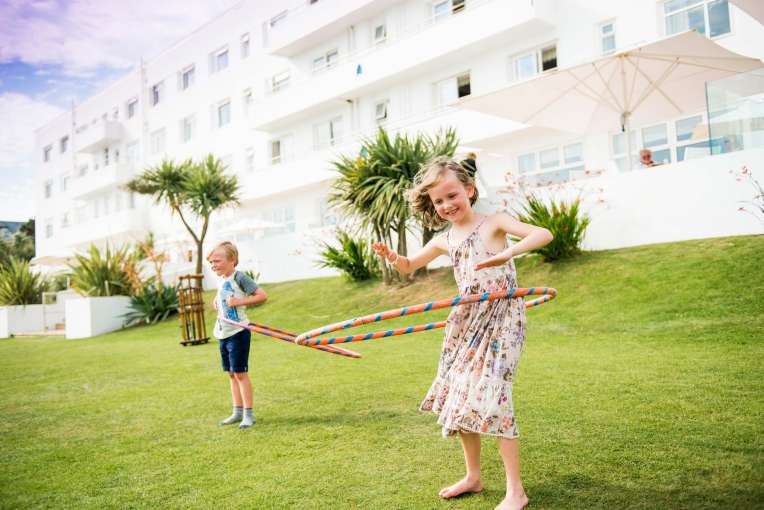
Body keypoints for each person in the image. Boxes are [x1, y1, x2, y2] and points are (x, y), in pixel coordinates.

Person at [372, 157, 553, 510]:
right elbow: (409, 267)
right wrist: (393, 257)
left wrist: (508, 255)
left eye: (452, 195)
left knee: (494, 394)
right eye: (438, 201)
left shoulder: (494, 223)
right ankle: (473, 476)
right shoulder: (445, 240)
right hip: (466, 321)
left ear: (469, 190)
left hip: (503, 318)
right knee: (460, 396)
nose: (446, 205)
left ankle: (516, 490)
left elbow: (542, 234)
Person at [207, 241, 268, 430]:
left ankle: (248, 415)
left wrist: (238, 302)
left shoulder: (239, 277)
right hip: (223, 332)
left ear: (232, 260)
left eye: (217, 261)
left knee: (241, 373)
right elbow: (222, 296)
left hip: (238, 332)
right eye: (211, 262)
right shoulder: (220, 279)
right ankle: (237, 412)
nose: (213, 265)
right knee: (231, 374)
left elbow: (261, 295)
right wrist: (216, 302)